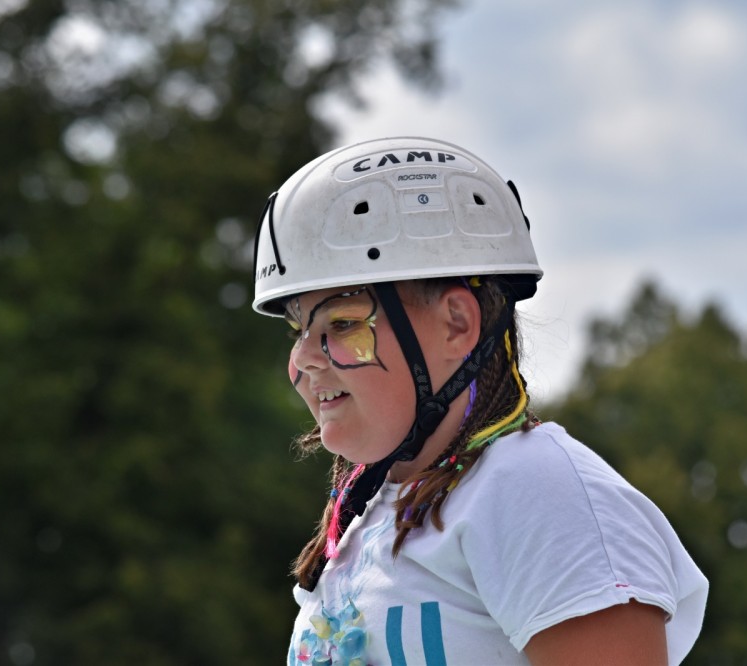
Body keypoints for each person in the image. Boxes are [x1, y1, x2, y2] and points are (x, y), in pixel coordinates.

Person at [251, 137, 708, 665]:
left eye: (344, 324)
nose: (303, 359)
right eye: (299, 332)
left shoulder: (539, 492)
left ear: (456, 324)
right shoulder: (372, 509)